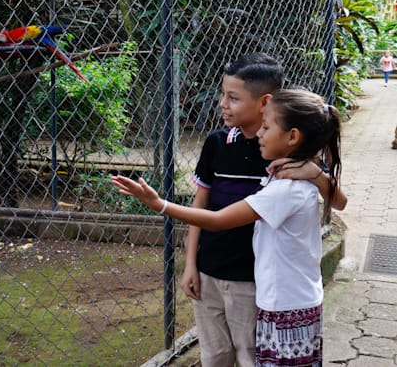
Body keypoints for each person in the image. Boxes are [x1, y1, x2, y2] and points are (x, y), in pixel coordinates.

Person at [112, 88, 342, 366]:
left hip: (286, 305)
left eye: (267, 127)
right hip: (292, 299)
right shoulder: (293, 173)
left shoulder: (287, 190)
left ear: (292, 137)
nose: (260, 133)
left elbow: (219, 219)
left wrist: (159, 204)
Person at [162, 53, 347, 367]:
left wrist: (315, 174)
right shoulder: (218, 143)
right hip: (210, 270)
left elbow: (339, 201)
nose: (222, 103)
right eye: (223, 94)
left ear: (265, 102)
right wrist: (190, 263)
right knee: (215, 354)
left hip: (254, 282)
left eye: (233, 97)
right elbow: (201, 202)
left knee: (252, 355)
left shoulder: (285, 149)